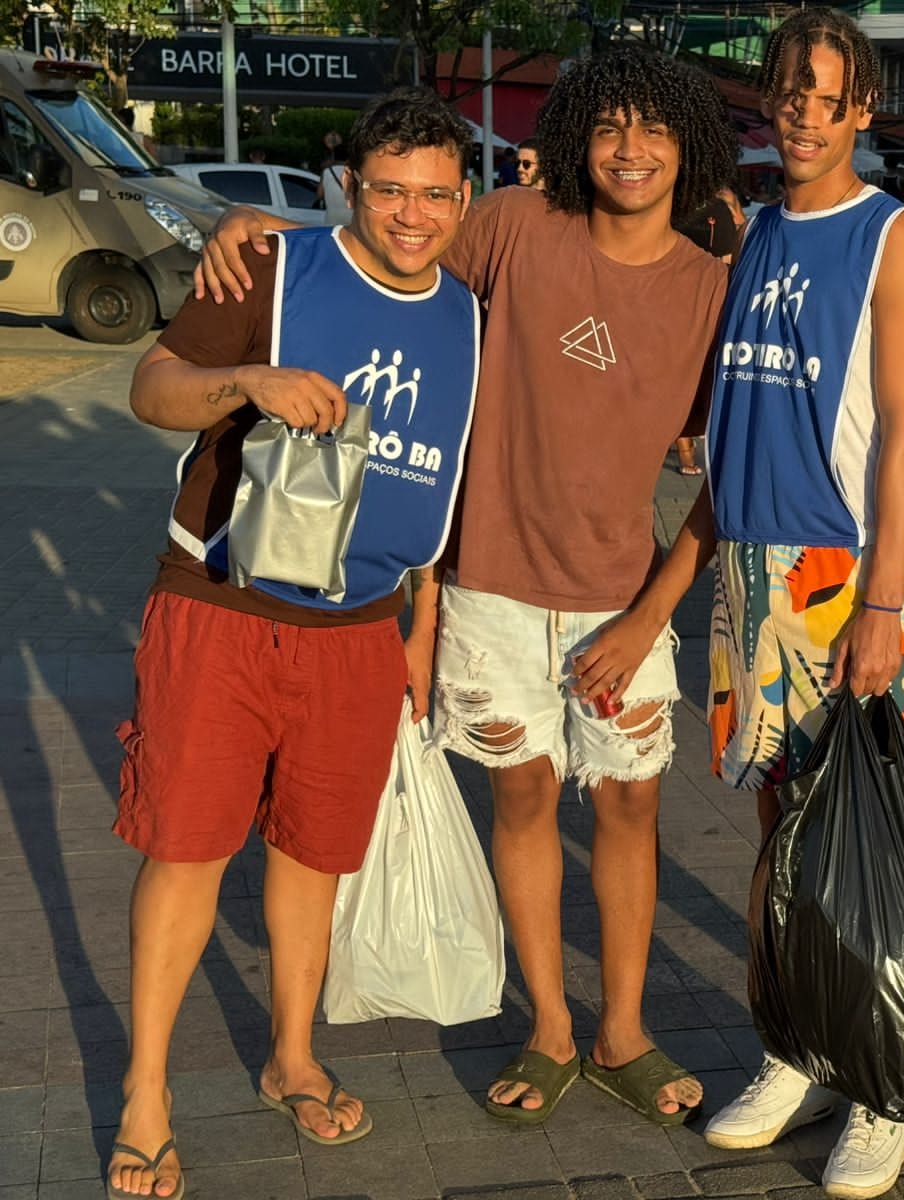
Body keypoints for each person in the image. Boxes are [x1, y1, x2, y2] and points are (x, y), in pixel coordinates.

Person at [197, 47, 738, 1132]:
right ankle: (549, 1028)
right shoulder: (514, 227)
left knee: (630, 808)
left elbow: (725, 477)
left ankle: (621, 1030)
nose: (629, 150)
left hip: (619, 603)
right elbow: (393, 254)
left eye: (654, 129)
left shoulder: (712, 291)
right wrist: (259, 238)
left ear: (687, 144)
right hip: (487, 587)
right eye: (608, 128)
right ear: (579, 138)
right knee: (525, 801)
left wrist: (646, 622)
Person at [567, 9, 904, 1197]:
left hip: (845, 576)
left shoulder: (893, 236)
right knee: (788, 837)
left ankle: (884, 1086)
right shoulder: (756, 232)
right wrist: (653, 609)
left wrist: (882, 603)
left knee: (877, 833)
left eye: (823, 97)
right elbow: (726, 457)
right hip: (750, 579)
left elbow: (901, 447)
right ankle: (795, 1051)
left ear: (860, 109)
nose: (800, 114)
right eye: (784, 94)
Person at [106, 88, 481, 1200]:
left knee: (314, 855)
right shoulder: (275, 271)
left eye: (435, 195)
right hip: (223, 608)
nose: (412, 215)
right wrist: (249, 384)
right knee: (186, 850)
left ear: (465, 201)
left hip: (362, 629)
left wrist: (420, 627)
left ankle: (292, 1057)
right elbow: (149, 388)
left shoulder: (469, 312)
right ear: (348, 190)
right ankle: (145, 1093)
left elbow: (441, 482)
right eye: (389, 192)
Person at [670, 184, 743, 476]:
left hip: (706, 303)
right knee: (680, 376)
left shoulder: (716, 211)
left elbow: (726, 261)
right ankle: (686, 452)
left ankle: (697, 445)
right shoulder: (675, 208)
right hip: (678, 301)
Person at [318, 144, 352, 225]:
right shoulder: (352, 173)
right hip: (351, 218)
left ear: (333, 156)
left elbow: (319, 194)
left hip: (332, 219)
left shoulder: (326, 172)